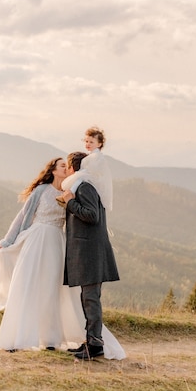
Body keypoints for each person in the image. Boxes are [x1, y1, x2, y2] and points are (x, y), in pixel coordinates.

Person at [0, 156, 125, 359]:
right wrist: (9, 240)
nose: (66, 168)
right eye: (62, 166)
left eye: (67, 166)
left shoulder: (69, 193)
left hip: (56, 245)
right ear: (53, 170)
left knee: (53, 290)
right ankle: (16, 337)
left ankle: (50, 339)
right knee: (26, 286)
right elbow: (23, 216)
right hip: (37, 240)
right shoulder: (41, 191)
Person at [62, 151, 120, 360]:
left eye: (67, 167)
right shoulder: (83, 185)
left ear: (72, 169)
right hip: (88, 254)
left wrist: (70, 202)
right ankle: (90, 341)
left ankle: (95, 346)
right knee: (88, 298)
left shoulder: (85, 187)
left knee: (91, 299)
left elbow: (91, 216)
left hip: (91, 254)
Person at [56, 126, 113, 211]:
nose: (88, 144)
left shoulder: (96, 156)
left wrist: (81, 173)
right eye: (86, 141)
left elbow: (93, 169)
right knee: (79, 178)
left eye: (91, 142)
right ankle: (69, 194)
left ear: (99, 144)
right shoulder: (91, 155)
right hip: (90, 174)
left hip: (94, 177)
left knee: (79, 178)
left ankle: (70, 194)